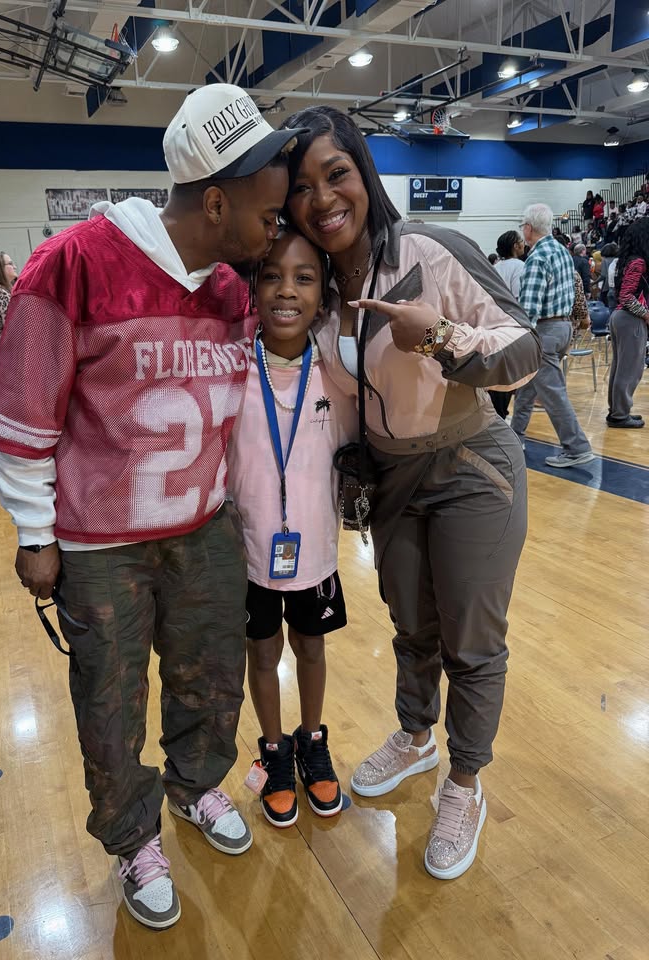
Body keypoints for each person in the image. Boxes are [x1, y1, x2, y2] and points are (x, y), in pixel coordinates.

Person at [0, 83, 304, 931]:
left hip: (202, 531)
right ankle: (131, 840)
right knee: (109, 703)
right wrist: (35, 533)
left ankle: (198, 788)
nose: (280, 225)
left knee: (210, 681)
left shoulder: (233, 290)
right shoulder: (74, 265)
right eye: (269, 209)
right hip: (99, 545)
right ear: (217, 200)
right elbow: (20, 421)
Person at [280, 105, 541, 881]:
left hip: (472, 468)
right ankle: (415, 735)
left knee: (471, 639)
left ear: (364, 176)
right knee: (411, 626)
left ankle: (464, 781)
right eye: (303, 187)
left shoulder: (432, 249)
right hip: (393, 480)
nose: (323, 198)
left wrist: (437, 336)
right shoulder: (320, 293)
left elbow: (524, 348)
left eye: (337, 174)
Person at [226, 229, 354, 828]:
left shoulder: (335, 371)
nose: (286, 291)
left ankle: (311, 739)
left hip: (316, 550)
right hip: (250, 550)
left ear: (323, 296)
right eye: (272, 275)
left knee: (310, 646)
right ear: (253, 285)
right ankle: (275, 750)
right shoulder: (231, 365)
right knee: (262, 650)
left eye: (304, 278)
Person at [511, 203, 596, 467]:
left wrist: (518, 338)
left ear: (528, 228)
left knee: (553, 393)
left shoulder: (537, 258)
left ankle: (577, 447)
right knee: (526, 386)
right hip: (563, 328)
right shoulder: (562, 251)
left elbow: (529, 307)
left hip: (544, 331)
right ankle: (515, 437)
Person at [607, 219, 649, 428]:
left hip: (619, 317)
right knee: (630, 370)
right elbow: (626, 296)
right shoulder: (639, 262)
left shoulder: (626, 260)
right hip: (630, 319)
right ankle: (620, 415)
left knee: (620, 368)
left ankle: (617, 411)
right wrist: (646, 315)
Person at [491, 230, 526, 418]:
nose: (523, 244)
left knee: (498, 375)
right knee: (510, 375)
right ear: (515, 246)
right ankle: (502, 416)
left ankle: (496, 415)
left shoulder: (495, 267)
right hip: (511, 325)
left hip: (494, 324)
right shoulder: (519, 266)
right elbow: (518, 299)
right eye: (521, 241)